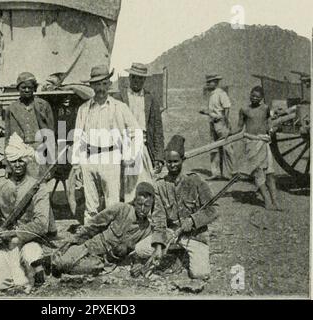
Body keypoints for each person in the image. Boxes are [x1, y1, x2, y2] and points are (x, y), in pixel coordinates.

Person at [0, 133, 57, 292]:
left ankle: (34, 271)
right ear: (8, 161)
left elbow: (42, 224)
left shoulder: (39, 189)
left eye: (21, 160)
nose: (18, 164)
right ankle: (20, 272)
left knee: (31, 255)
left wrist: (15, 235)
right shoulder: (0, 188)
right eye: (14, 160)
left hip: (30, 241)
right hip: (7, 245)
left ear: (26, 160)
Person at [136, 135, 218, 280]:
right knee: (140, 250)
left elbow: (213, 210)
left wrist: (193, 221)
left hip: (195, 236)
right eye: (169, 162)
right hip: (171, 234)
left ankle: (188, 254)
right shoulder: (160, 185)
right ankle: (175, 254)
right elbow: (159, 218)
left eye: (175, 161)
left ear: (183, 160)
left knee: (200, 274)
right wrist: (159, 246)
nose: (172, 165)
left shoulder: (195, 181)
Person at [71, 64, 143, 222]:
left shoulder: (119, 107)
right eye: (97, 84)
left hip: (111, 157)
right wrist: (77, 164)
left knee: (112, 203)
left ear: (109, 84)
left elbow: (136, 132)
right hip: (89, 159)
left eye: (104, 83)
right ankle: (90, 237)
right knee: (91, 205)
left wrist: (129, 156)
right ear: (91, 86)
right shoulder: (84, 109)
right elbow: (78, 136)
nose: (101, 88)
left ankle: (113, 237)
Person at [42, 182, 157, 276]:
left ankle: (56, 266)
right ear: (134, 201)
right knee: (63, 261)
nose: (142, 209)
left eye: (147, 206)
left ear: (152, 206)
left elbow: (137, 252)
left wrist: (139, 264)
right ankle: (51, 262)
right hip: (90, 246)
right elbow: (95, 224)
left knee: (83, 269)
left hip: (105, 262)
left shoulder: (146, 230)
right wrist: (74, 240)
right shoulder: (122, 209)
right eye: (139, 204)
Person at [114, 62, 165, 202]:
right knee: (124, 185)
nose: (137, 81)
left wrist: (159, 156)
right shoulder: (119, 98)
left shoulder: (150, 99)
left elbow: (157, 129)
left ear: (145, 80)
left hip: (142, 147)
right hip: (124, 146)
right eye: (135, 77)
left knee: (145, 182)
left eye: (141, 78)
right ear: (130, 77)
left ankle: (143, 214)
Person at [233, 86, 281, 210]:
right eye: (252, 95)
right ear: (250, 95)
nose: (254, 98)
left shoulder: (265, 108)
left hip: (264, 143)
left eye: (257, 97)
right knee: (258, 173)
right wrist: (229, 133)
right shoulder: (244, 109)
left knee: (270, 173)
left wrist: (272, 128)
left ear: (262, 98)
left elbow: (269, 122)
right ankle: (267, 202)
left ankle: (275, 202)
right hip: (251, 143)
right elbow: (239, 127)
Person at [5, 72, 55, 178]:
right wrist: (8, 165)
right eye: (23, 87)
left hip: (39, 151)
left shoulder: (43, 105)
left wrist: (51, 162)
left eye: (30, 87)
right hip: (19, 152)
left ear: (34, 88)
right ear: (18, 88)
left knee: (40, 184)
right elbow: (8, 137)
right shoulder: (12, 108)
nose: (27, 90)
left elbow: (50, 134)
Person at [200, 74, 235, 180]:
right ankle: (216, 173)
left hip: (221, 123)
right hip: (213, 122)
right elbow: (213, 111)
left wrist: (225, 122)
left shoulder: (221, 94)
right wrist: (206, 112)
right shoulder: (211, 94)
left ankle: (231, 173)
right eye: (207, 82)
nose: (208, 84)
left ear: (215, 82)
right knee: (214, 148)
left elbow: (227, 108)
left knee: (227, 148)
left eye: (210, 82)